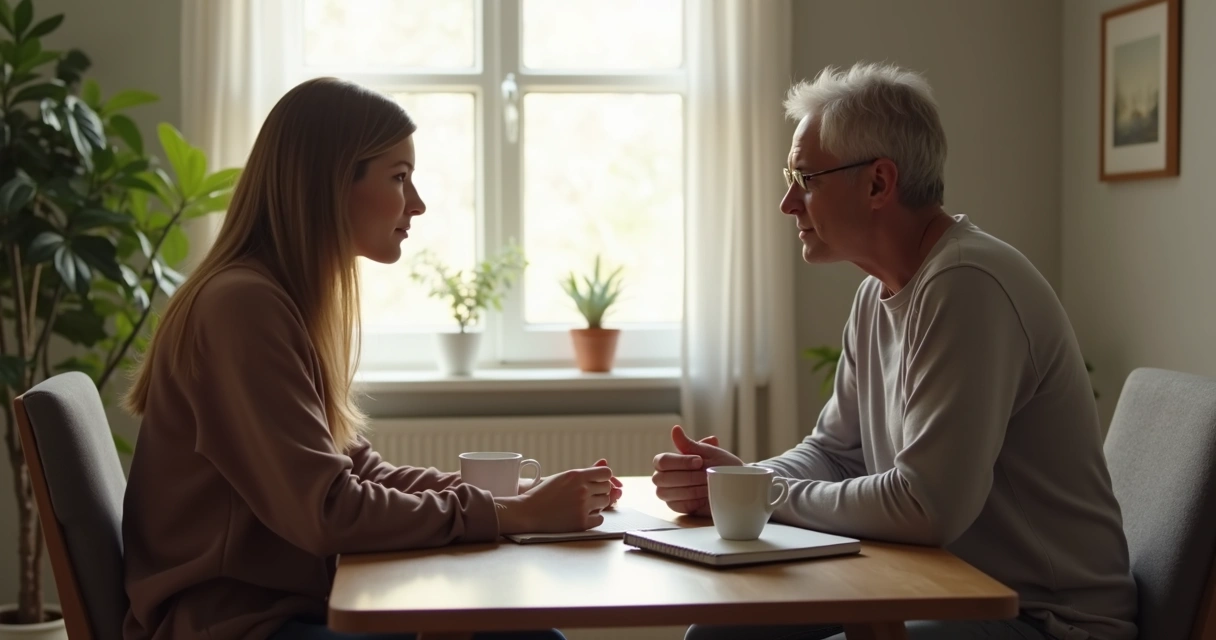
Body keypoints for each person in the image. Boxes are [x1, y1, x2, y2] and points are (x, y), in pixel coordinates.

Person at [121, 77, 620, 640]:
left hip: (284, 609)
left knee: (520, 633)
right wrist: (513, 517)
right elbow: (328, 510)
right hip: (234, 626)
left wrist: (510, 496)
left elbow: (359, 472)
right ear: (331, 186)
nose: (418, 203)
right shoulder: (242, 307)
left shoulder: (277, 299)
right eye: (399, 177)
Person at [653, 63, 1138, 640]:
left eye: (805, 178)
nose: (788, 203)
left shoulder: (967, 284)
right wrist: (740, 483)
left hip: (1043, 619)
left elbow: (925, 507)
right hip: (932, 587)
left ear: (879, 183)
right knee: (719, 635)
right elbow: (837, 452)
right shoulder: (876, 294)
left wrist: (765, 494)